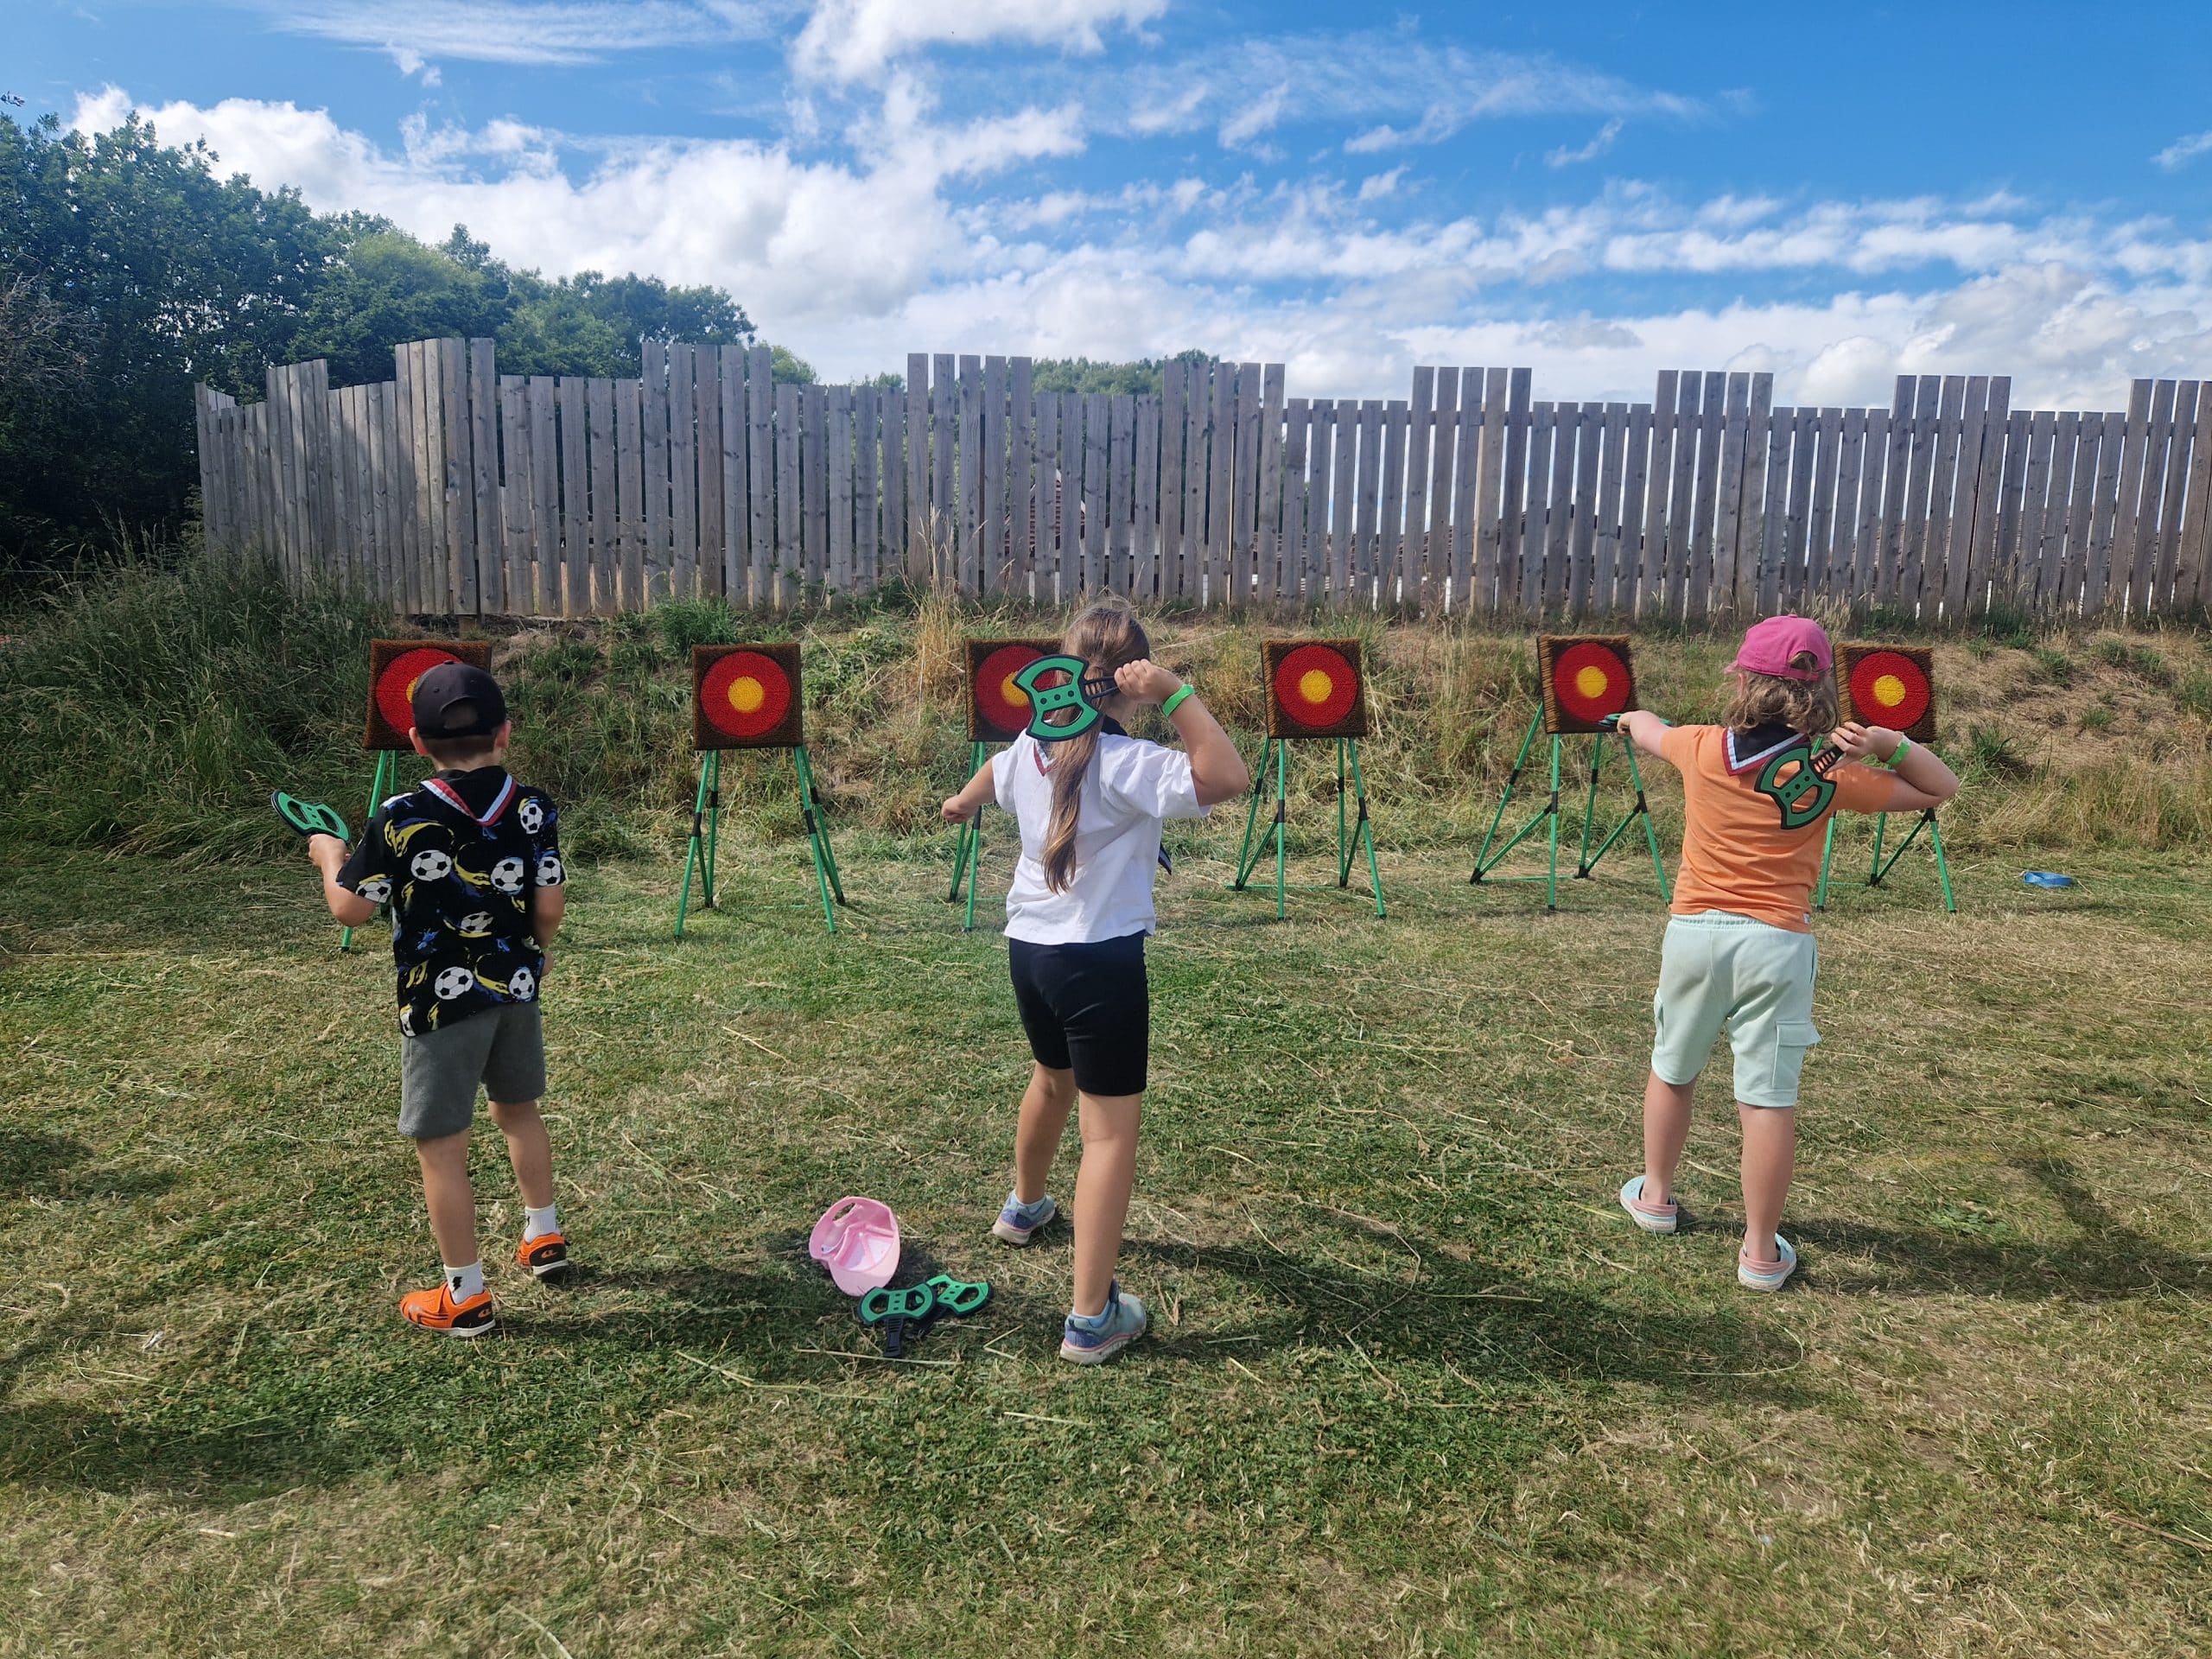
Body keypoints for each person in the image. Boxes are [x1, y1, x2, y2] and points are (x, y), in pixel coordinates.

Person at [940, 601, 1249, 1363]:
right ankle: (1090, 1319)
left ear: (1065, 669)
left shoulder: (1033, 746)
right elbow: (1227, 775)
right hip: (1099, 964)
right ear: (1128, 681)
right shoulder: (1129, 761)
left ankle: (1024, 1209)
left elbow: (996, 769)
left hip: (1030, 954)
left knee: (1051, 1081)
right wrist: (1174, 693)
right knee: (1108, 1135)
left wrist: (963, 800)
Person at [1612, 616, 1958, 1290]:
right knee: (1767, 1101)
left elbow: (1649, 728)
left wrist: (1627, 718)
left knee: (1673, 1070)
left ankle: (1654, 1197)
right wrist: (1887, 742)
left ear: (1743, 683)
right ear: (1820, 692)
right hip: (1776, 945)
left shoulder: (1699, 746)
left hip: (1694, 935)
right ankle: (1760, 1253)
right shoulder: (1831, 773)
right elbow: (1937, 786)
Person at [306, 661, 571, 1336]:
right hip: (516, 989)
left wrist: (330, 856)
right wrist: (534, 952)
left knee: (441, 1147)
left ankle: (465, 1297)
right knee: (520, 1110)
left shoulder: (399, 815)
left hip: (437, 1004)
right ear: (505, 733)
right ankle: (543, 1235)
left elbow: (350, 910)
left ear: (417, 742)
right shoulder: (534, 805)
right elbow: (549, 905)